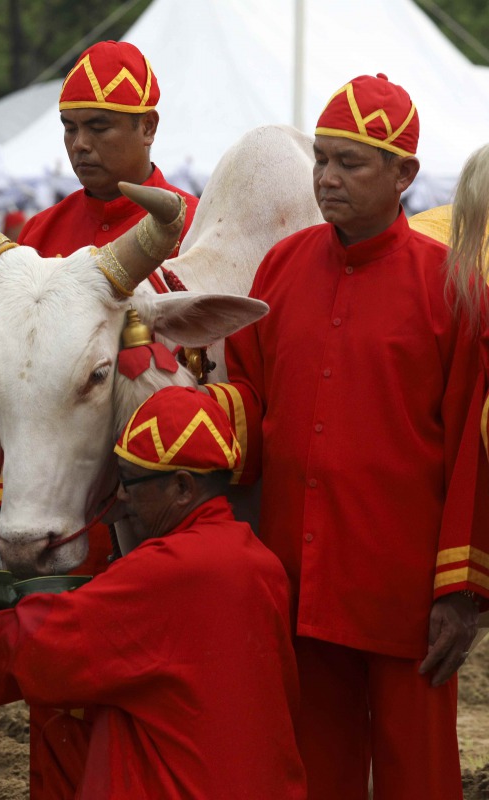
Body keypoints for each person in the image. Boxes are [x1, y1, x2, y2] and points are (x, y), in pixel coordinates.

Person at [211, 73, 487, 798]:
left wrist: (461, 591)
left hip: (407, 598)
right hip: (296, 582)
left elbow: (471, 450)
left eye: (349, 163)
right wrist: (192, 404)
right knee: (310, 773)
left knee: (418, 780)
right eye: (321, 159)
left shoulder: (454, 284)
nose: (326, 179)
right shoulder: (282, 266)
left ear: (405, 175)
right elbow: (249, 399)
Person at [0, 386, 306, 799]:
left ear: (182, 488)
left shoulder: (167, 571)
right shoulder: (262, 565)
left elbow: (42, 643)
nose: (121, 497)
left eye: (130, 481)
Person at [1, 39, 202, 793]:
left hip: (157, 520)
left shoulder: (193, 231)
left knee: (151, 706)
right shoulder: (37, 238)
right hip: (57, 512)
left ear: (148, 128)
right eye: (69, 127)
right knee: (55, 686)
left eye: (101, 126)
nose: (80, 144)